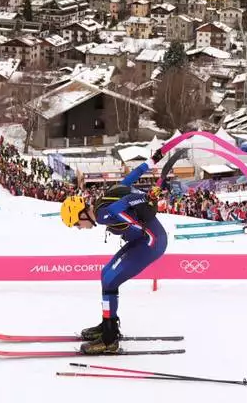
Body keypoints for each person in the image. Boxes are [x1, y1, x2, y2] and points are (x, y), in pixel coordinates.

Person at [60, 148, 167, 355]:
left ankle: (109, 340)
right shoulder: (103, 200)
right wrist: (151, 161)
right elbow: (128, 180)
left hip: (152, 242)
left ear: (82, 214)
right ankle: (107, 325)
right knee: (105, 275)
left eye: (76, 224)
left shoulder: (102, 214)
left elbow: (127, 208)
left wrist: (144, 198)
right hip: (144, 241)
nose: (79, 228)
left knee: (110, 280)